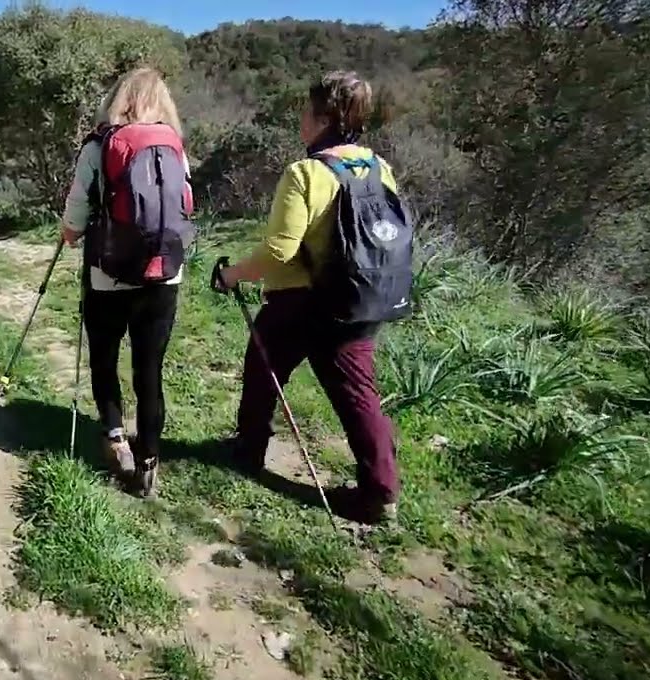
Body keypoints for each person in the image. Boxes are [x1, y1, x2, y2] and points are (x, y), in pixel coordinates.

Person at [215, 70, 401, 526]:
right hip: (362, 298)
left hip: (300, 301)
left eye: (305, 111)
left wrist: (233, 274)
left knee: (262, 369)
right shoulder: (379, 166)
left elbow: (280, 248)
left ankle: (249, 449)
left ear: (322, 118)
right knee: (359, 393)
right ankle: (381, 492)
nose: (300, 119)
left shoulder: (306, 173)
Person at [61, 67, 193, 498]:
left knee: (104, 355)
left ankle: (116, 438)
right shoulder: (173, 143)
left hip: (108, 274)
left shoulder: (100, 145)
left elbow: (77, 212)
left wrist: (70, 233)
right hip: (164, 273)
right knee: (149, 369)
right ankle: (150, 462)